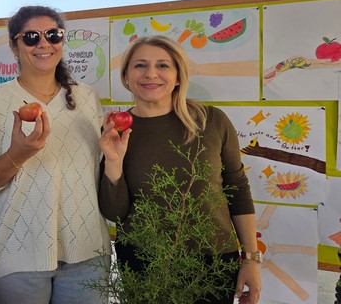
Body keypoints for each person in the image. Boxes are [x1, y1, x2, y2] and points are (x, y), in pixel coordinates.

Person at [0, 5, 111, 304]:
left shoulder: (87, 98)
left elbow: (96, 174)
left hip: (87, 256)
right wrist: (16, 155)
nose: (44, 43)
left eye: (53, 35)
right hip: (12, 258)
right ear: (13, 46)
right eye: (31, 37)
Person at [98, 35, 262, 304]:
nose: (151, 74)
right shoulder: (116, 131)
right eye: (140, 65)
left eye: (163, 65)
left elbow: (237, 190)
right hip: (142, 261)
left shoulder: (211, 121)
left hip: (212, 263)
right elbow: (114, 213)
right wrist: (114, 162)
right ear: (126, 76)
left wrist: (251, 259)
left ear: (177, 76)